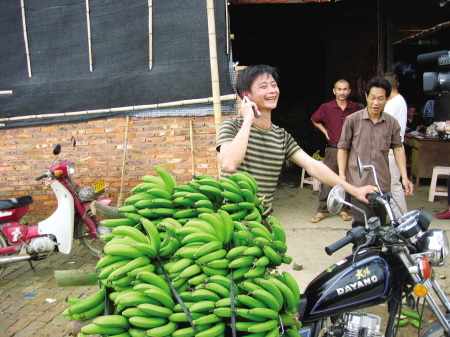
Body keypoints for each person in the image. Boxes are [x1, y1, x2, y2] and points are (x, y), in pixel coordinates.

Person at [216, 65, 377, 217]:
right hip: (231, 221)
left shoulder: (281, 136)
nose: (272, 90)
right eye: (263, 86)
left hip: (262, 221)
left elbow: (313, 166)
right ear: (246, 95)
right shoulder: (232, 126)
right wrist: (248, 120)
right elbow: (229, 164)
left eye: (274, 85)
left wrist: (354, 190)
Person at [337, 77, 414, 228]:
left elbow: (398, 148)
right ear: (366, 97)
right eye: (372, 98)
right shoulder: (353, 120)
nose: (376, 103)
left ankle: (377, 251)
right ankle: (360, 251)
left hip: (382, 184)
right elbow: (343, 148)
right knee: (362, 224)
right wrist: (342, 176)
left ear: (387, 99)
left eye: (381, 98)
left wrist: (404, 177)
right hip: (358, 182)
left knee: (380, 225)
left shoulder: (392, 123)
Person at [310, 79, 361, 223]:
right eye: (339, 89)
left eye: (345, 89)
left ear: (349, 91)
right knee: (327, 179)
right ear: (334, 91)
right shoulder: (326, 107)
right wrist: (325, 132)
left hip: (350, 150)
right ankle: (321, 210)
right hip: (333, 148)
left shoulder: (356, 108)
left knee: (348, 179)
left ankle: (344, 209)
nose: (342, 92)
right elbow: (314, 119)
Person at [382, 72, 408, 219]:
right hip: (392, 148)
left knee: (394, 185)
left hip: (392, 149)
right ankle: (393, 216)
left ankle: (401, 219)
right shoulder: (398, 101)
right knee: (390, 184)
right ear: (397, 84)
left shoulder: (393, 103)